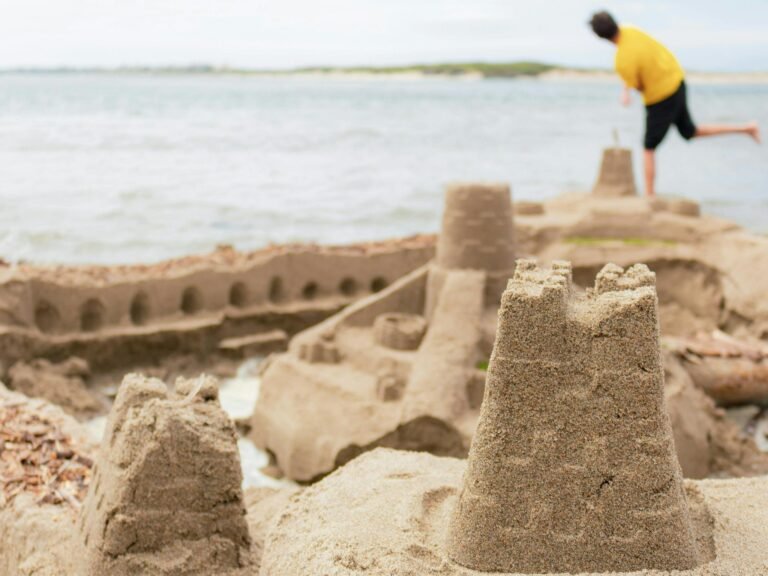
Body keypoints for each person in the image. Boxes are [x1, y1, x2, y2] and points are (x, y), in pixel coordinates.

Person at [589, 11, 760, 197]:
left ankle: (649, 196)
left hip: (660, 97)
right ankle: (747, 128)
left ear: (601, 37)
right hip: (677, 81)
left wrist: (627, 90)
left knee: (648, 147)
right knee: (690, 131)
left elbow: (638, 85)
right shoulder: (632, 30)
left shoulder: (622, 60)